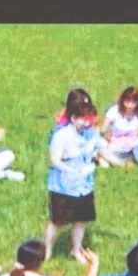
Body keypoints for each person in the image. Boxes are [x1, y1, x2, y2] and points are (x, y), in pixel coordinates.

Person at [45, 90, 106, 263]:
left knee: (80, 220)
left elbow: (103, 147)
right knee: (58, 222)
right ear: (73, 117)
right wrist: (71, 170)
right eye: (82, 118)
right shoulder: (61, 135)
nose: (87, 122)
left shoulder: (91, 133)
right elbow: (55, 160)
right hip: (63, 186)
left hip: (84, 186)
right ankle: (47, 249)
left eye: (88, 117)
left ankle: (76, 249)